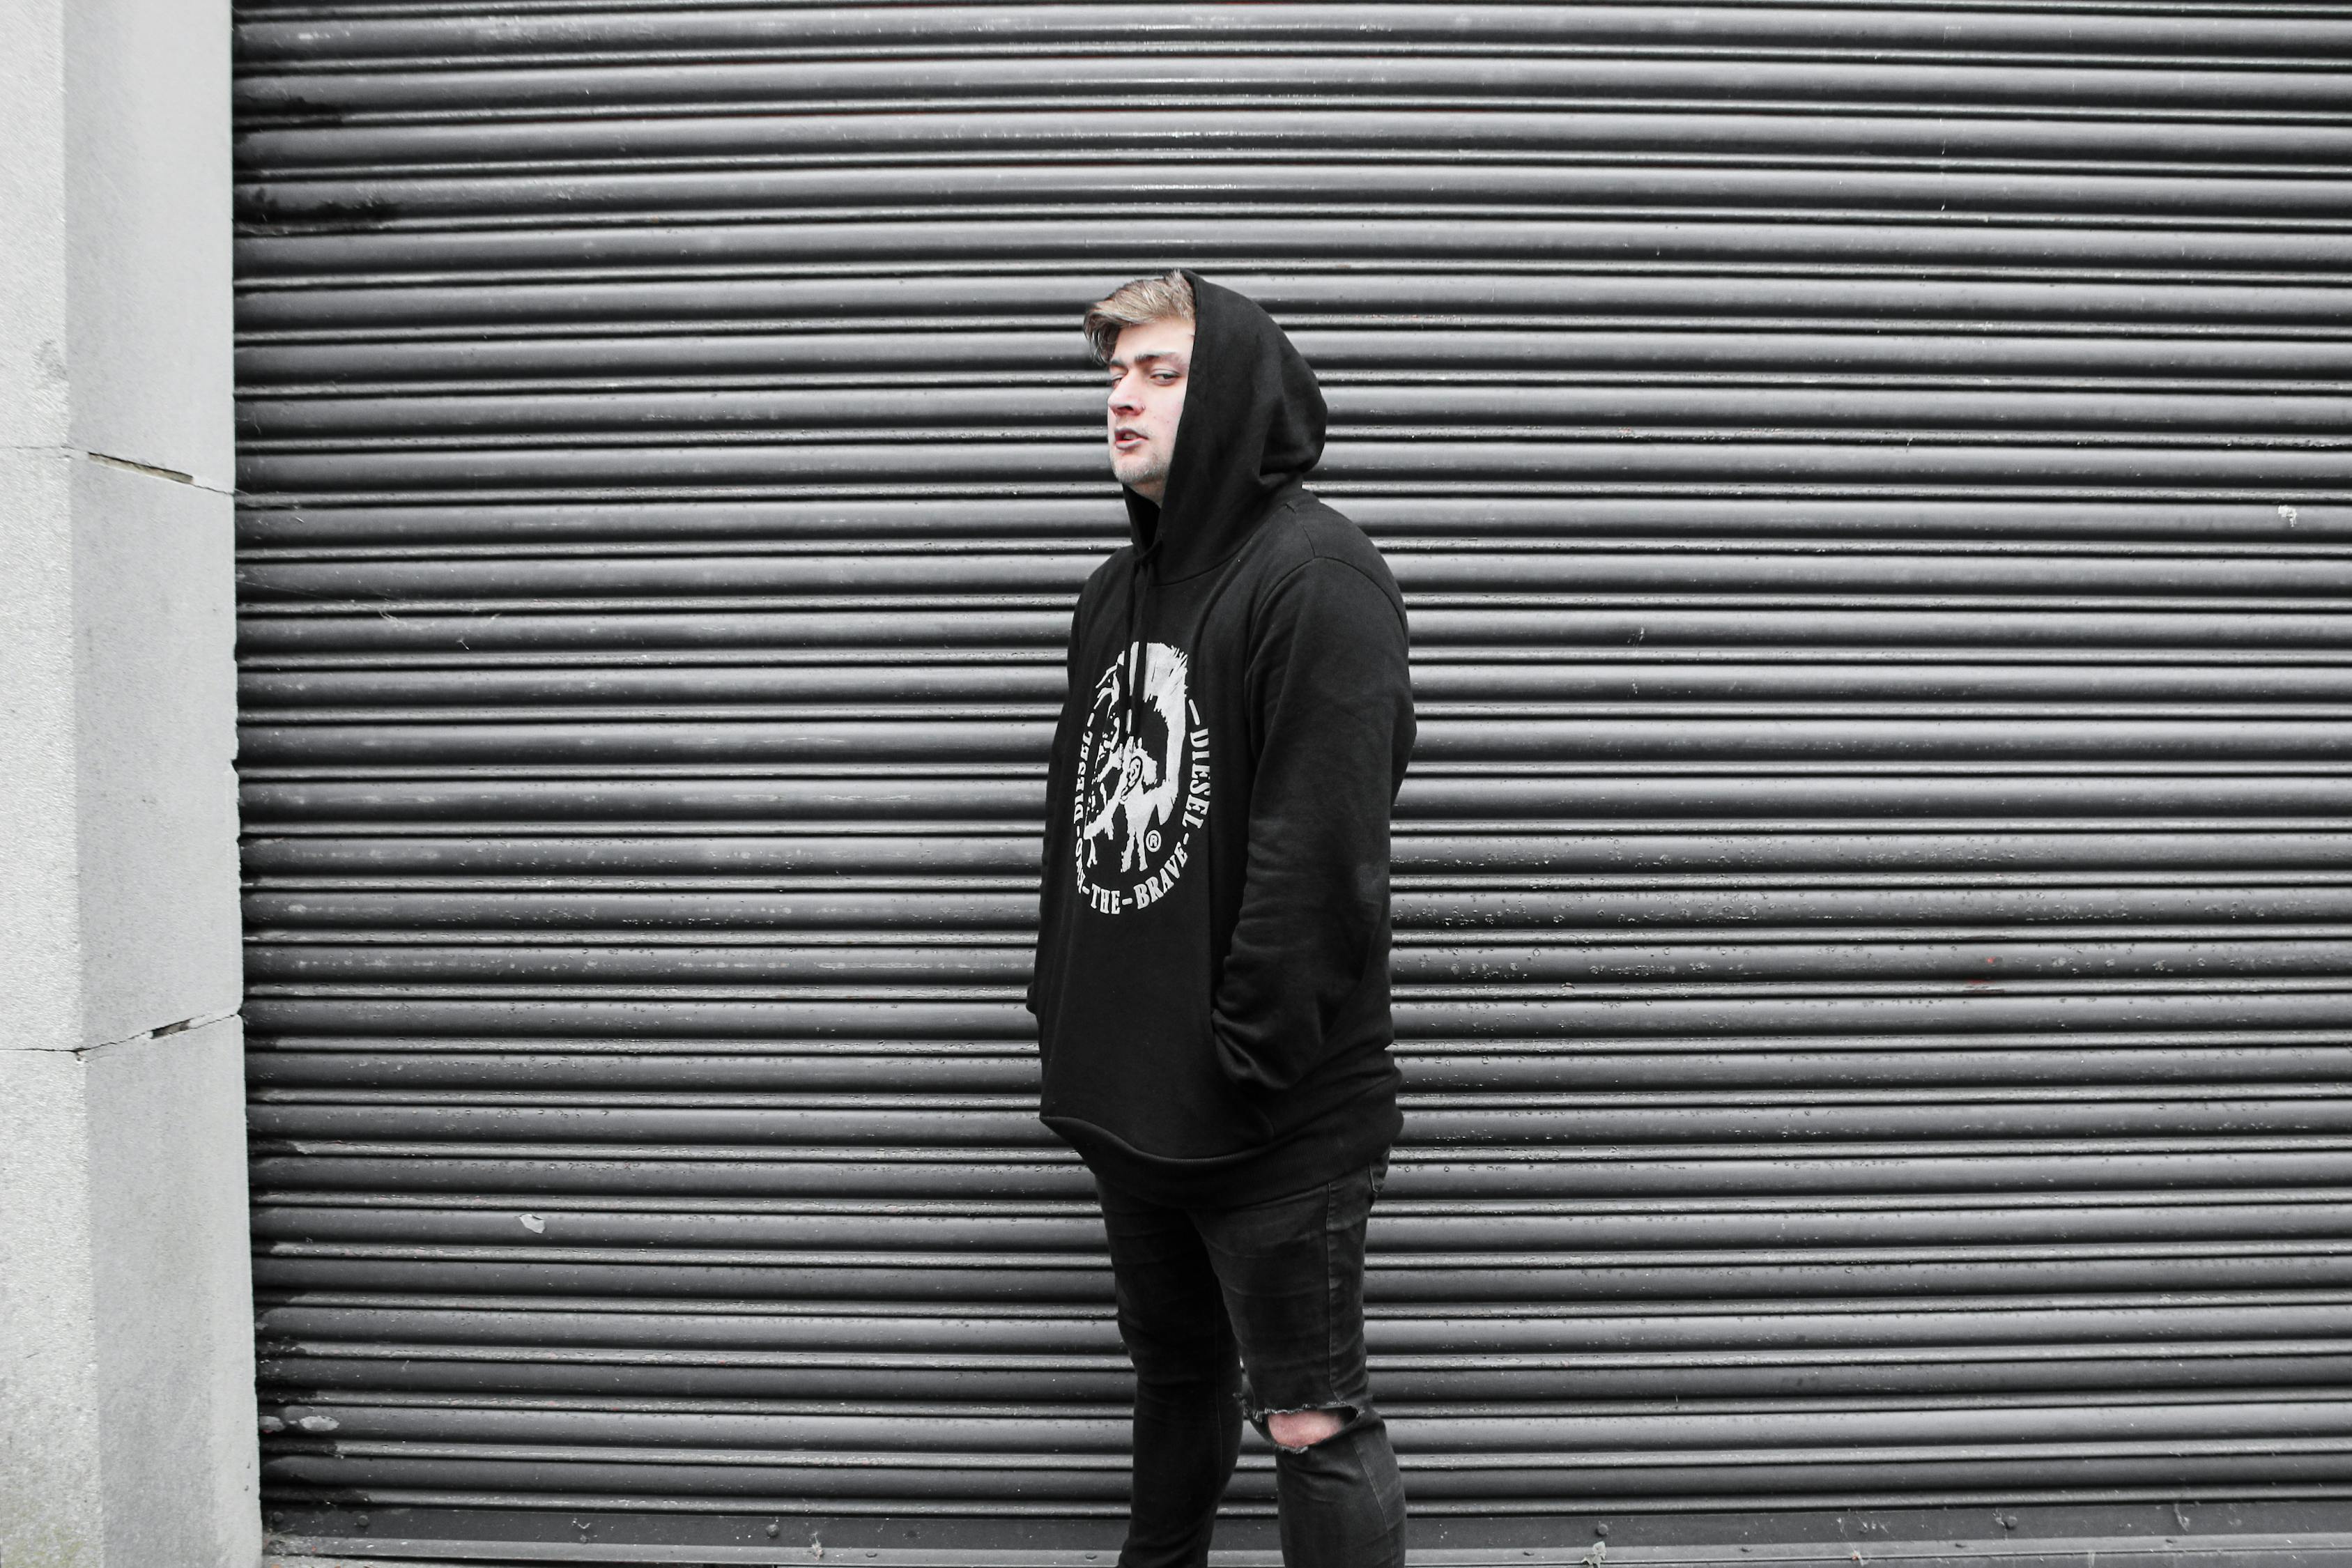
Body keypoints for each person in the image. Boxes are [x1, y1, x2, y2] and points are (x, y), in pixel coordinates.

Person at [1024, 269, 1415, 1568]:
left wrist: (1244, 1059)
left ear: (1238, 392)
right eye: (1114, 373)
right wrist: (1064, 1016)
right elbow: (1075, 827)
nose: (1122, 397)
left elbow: (1324, 857)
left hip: (1273, 1117)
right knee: (1175, 1382)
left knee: (1309, 1418)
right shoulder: (1112, 594)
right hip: (1133, 1102)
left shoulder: (1319, 577)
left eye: (1162, 371)